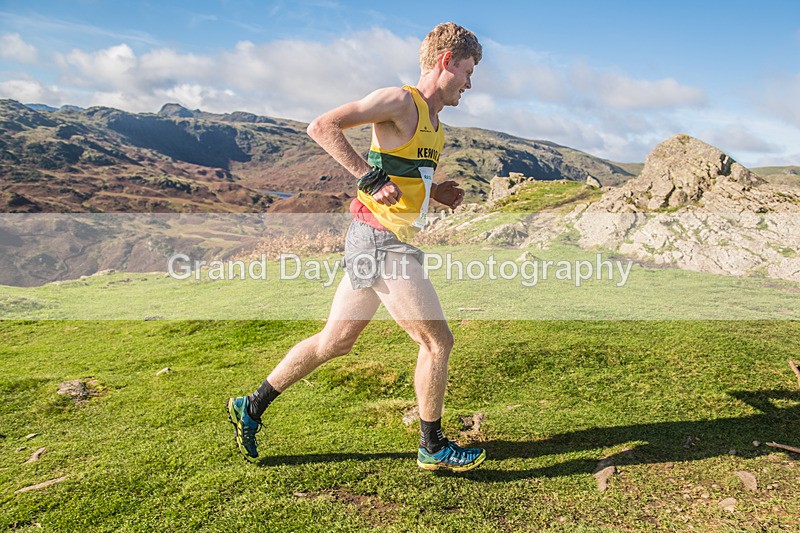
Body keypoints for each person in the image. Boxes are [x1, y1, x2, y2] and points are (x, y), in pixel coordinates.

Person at [227, 22, 485, 472]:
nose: (470, 82)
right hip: (380, 241)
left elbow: (405, 179)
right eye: (467, 71)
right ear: (446, 62)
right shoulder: (401, 101)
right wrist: (368, 175)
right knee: (436, 341)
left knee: (335, 341)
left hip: (382, 238)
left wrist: (434, 194)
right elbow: (322, 126)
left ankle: (250, 405)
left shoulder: (436, 125)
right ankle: (432, 445)